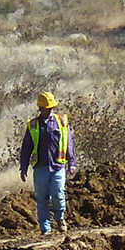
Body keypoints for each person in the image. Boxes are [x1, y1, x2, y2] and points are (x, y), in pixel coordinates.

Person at [20, 91, 76, 234]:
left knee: (58, 194)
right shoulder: (33, 125)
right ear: (41, 108)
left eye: (52, 107)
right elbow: (26, 147)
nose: (50, 110)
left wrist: (72, 162)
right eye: (48, 107)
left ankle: (60, 218)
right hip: (41, 168)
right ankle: (45, 229)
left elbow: (69, 143)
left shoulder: (61, 122)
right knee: (42, 199)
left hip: (58, 166)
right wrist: (23, 167)